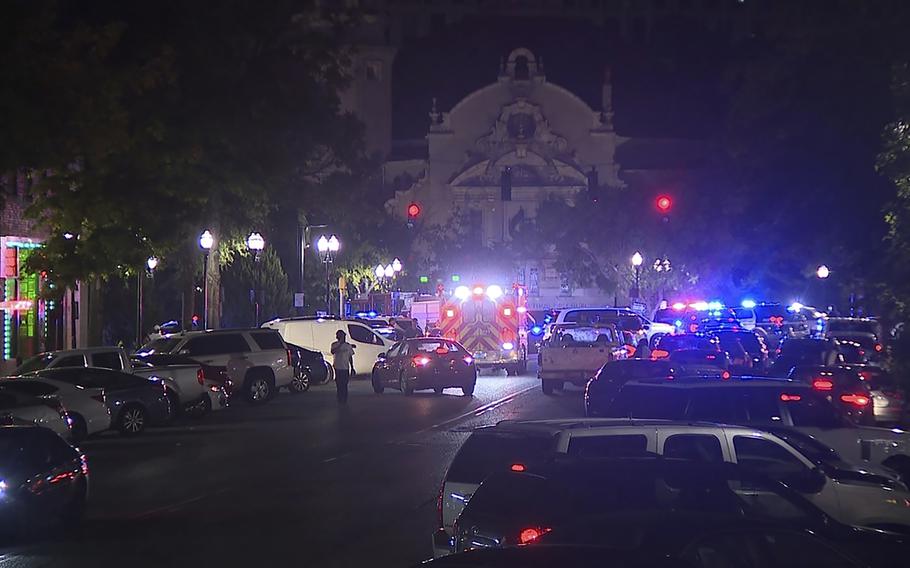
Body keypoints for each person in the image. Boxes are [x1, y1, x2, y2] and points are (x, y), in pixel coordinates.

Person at [330, 330, 355, 404]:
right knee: (339, 384)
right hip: (338, 367)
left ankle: (344, 399)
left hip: (345, 367)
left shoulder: (348, 346)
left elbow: (350, 357)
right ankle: (340, 398)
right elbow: (333, 351)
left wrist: (352, 367)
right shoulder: (334, 344)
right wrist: (340, 344)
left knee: (344, 384)